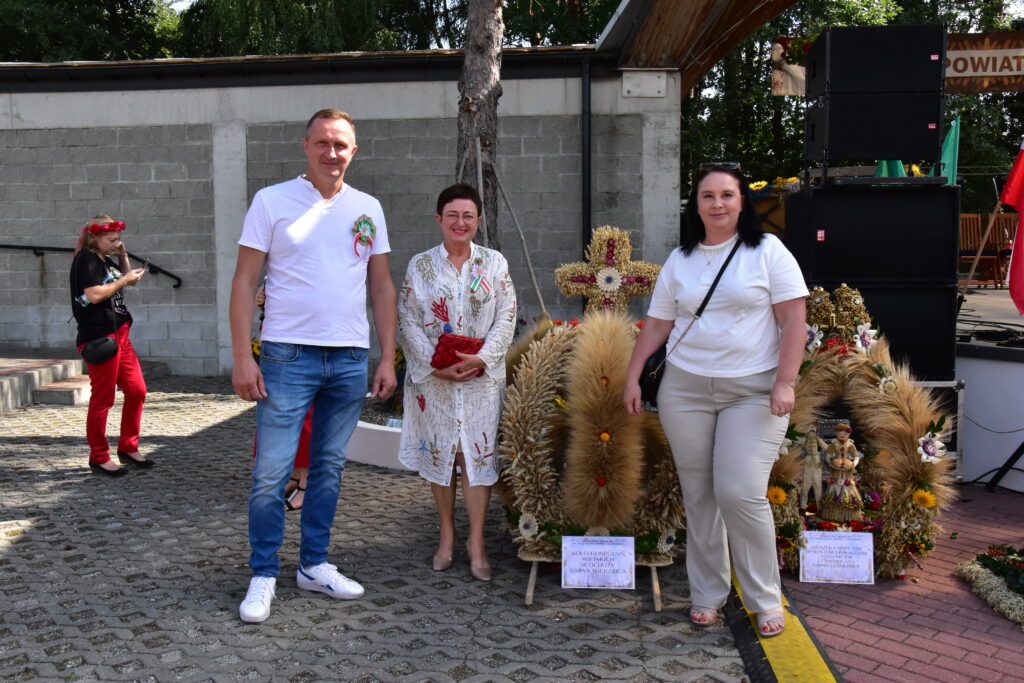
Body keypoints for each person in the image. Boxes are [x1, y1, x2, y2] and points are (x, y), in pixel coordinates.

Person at [624, 164, 808, 638]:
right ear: (696, 204)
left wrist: (785, 382)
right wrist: (631, 378)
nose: (718, 204)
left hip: (752, 391)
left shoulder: (768, 251)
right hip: (685, 390)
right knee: (700, 495)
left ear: (742, 201)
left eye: (727, 194)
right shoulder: (680, 260)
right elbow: (659, 325)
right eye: (708, 196)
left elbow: (794, 321)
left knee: (739, 491)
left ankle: (765, 598)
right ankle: (707, 593)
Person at [230, 109, 398, 623]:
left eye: (341, 144)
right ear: (306, 146)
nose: (332, 152)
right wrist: (242, 356)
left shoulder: (367, 207)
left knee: (328, 468)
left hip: (349, 357)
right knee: (271, 472)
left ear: (354, 150)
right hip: (286, 355)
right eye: (323, 142)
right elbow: (243, 282)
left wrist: (386, 355)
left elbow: (382, 286)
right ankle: (263, 573)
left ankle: (313, 564)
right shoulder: (271, 201)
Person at [397, 184, 516, 581]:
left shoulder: (495, 263)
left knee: (476, 459)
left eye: (468, 216)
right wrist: (434, 365)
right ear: (439, 219)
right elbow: (408, 317)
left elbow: (508, 314)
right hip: (436, 382)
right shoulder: (420, 265)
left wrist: (482, 357)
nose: (460, 222)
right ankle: (447, 534)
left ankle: (476, 541)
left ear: (478, 221)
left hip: (481, 381)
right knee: (443, 458)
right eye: (452, 215)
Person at [70, 215, 151, 477]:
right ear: (95, 238)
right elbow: (93, 295)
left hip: (121, 332)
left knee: (137, 390)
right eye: (112, 239)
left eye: (119, 239)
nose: (117, 243)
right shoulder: (87, 260)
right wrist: (122, 281)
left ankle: (128, 447)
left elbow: (130, 280)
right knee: (103, 399)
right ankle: (99, 456)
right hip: (101, 336)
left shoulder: (105, 259)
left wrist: (123, 256)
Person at [253, 285, 309, 512]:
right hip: (279, 338)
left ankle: (307, 484)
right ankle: (295, 477)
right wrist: (264, 295)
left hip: (305, 339)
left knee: (306, 415)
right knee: (281, 411)